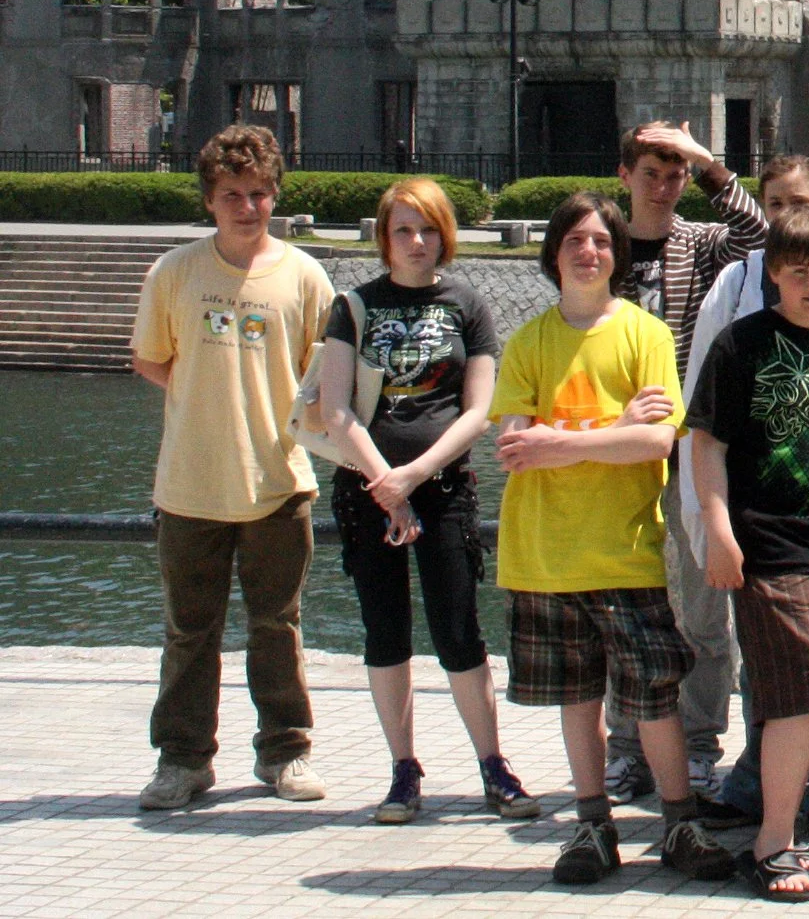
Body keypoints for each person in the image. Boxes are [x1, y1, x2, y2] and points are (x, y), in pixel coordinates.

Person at [490, 192, 734, 885]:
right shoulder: (529, 341)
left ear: (617, 254)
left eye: (601, 240)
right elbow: (513, 447)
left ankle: (678, 820)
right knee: (578, 698)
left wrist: (558, 439)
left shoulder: (645, 335)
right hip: (544, 553)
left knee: (654, 695)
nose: (588, 251)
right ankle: (592, 823)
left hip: (627, 550)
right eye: (574, 240)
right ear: (554, 252)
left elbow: (658, 439)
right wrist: (607, 430)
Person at [317, 176, 538, 824]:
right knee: (385, 632)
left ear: (446, 234)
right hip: (366, 493)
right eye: (404, 230)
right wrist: (385, 484)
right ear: (384, 237)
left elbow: (478, 412)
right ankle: (403, 768)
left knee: (459, 631)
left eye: (429, 229)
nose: (417, 242)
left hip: (442, 492)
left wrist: (412, 478)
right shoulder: (352, 306)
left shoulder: (466, 304)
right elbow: (334, 410)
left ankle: (493, 765)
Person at [131, 124, 337, 811]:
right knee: (190, 633)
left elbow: (324, 373)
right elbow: (151, 359)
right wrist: (209, 398)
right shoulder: (175, 272)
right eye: (231, 196)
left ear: (275, 195)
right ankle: (183, 761)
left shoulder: (305, 275)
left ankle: (286, 752)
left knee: (278, 627)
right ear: (210, 201)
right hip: (191, 482)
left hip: (278, 481)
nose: (247, 208)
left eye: (258, 194)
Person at [690, 203, 809, 903]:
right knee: (801, 686)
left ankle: (785, 820)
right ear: (772, 274)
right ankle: (774, 839)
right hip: (770, 541)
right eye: (797, 270)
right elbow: (705, 444)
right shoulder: (741, 345)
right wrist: (717, 528)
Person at [604, 121, 769, 806]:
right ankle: (626, 747)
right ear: (625, 174)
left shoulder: (699, 245)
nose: (666, 187)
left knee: (704, 603)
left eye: (675, 176)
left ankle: (698, 744)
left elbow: (760, 237)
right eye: (653, 173)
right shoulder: (600, 243)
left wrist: (708, 163)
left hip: (689, 437)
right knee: (627, 600)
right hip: (615, 443)